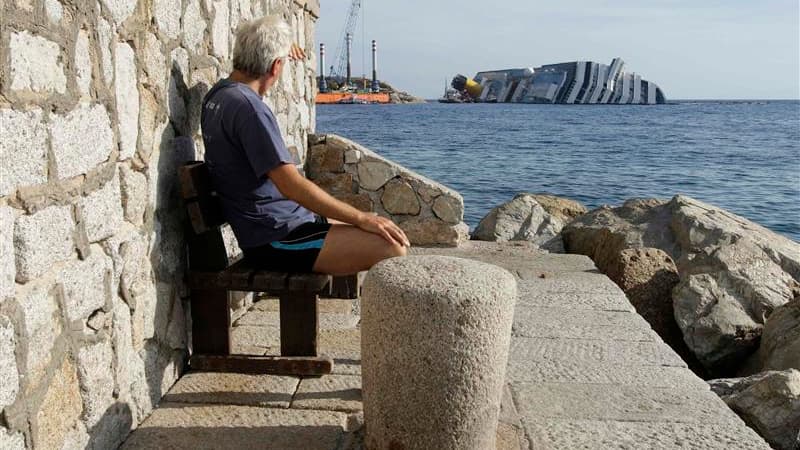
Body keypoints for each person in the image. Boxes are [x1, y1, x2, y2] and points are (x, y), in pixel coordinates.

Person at [200, 15, 408, 276]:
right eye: (283, 63)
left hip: (275, 224)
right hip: (275, 238)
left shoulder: (218, 95)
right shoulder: (250, 110)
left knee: (383, 229)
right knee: (390, 246)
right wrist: (361, 217)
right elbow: (291, 185)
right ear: (276, 67)